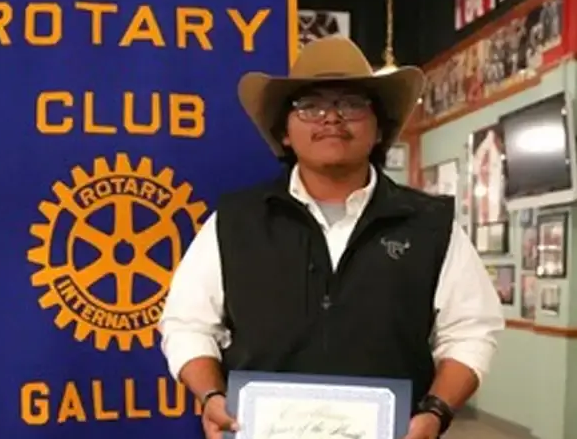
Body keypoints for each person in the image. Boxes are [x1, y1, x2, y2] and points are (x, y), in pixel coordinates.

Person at [159, 36, 505, 439]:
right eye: (309, 106)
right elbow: (186, 324)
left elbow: (471, 331)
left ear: (379, 129)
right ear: (284, 132)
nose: (331, 118)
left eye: (352, 104)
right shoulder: (235, 221)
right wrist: (210, 396)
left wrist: (435, 413)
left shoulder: (432, 225)